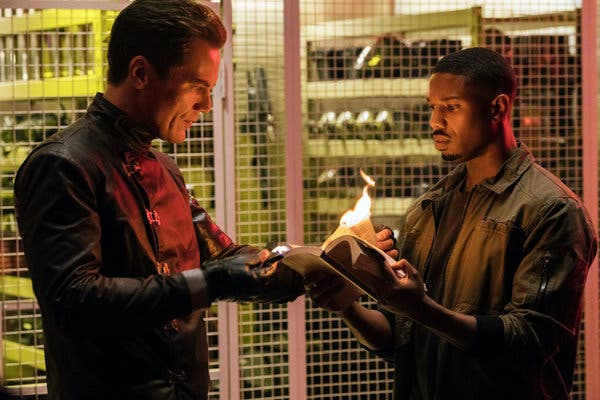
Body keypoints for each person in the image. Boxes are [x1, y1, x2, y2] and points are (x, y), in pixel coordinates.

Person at [12, 1, 310, 399]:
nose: (206, 105)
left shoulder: (165, 168)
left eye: (210, 90)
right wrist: (210, 282)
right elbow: (74, 299)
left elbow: (224, 255)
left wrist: (325, 263)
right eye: (197, 86)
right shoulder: (63, 165)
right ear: (140, 73)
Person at [305, 47, 597, 399]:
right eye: (432, 107)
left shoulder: (552, 210)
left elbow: (529, 341)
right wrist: (348, 306)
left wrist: (421, 308)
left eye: (451, 107)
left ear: (497, 107)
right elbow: (399, 339)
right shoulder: (427, 209)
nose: (435, 121)